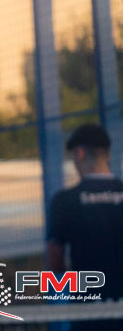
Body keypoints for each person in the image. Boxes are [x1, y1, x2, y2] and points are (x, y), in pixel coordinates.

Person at [46, 122, 123, 330]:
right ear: (107, 154)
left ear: (79, 154)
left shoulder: (65, 201)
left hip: (88, 312)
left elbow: (55, 260)